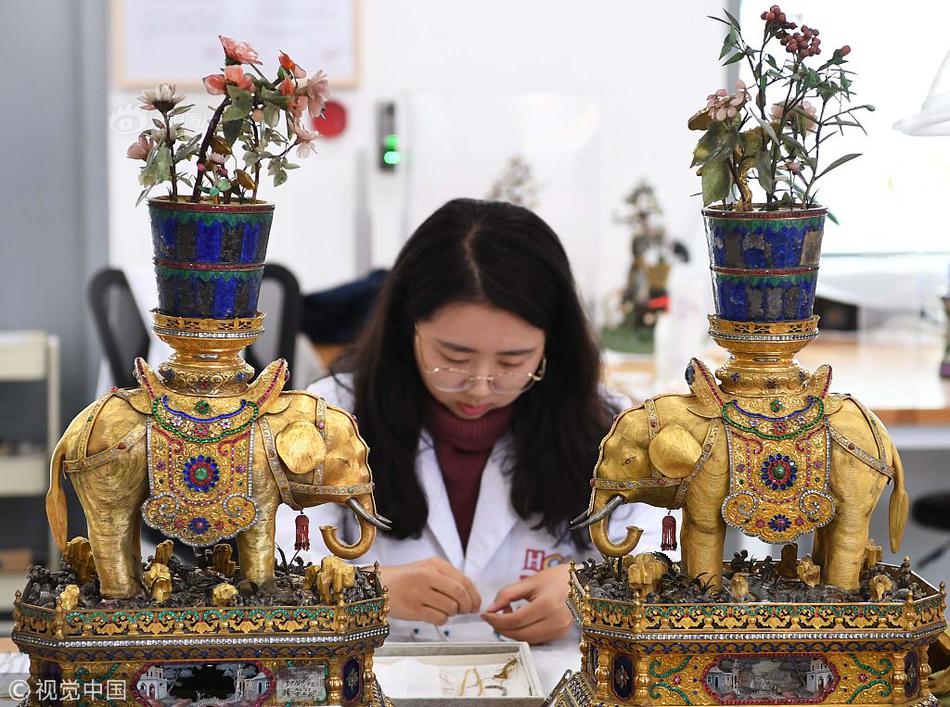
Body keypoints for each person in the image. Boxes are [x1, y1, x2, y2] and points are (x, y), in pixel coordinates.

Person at [276, 198, 668, 649]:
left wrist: (592, 592)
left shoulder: (613, 427)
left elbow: (664, 558)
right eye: (453, 358)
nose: (481, 387)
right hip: (379, 675)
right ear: (409, 326)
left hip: (551, 678)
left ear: (552, 341)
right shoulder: (327, 419)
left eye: (512, 361)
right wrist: (367, 587)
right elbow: (277, 569)